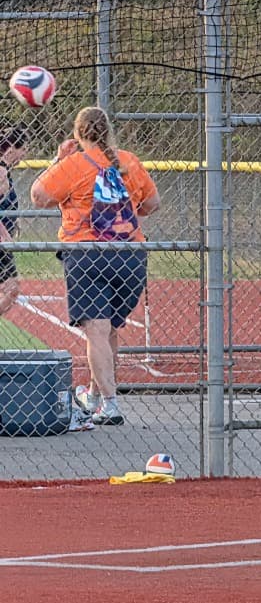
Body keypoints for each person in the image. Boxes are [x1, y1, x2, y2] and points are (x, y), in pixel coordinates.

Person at [30, 106, 160, 425]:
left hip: (87, 254)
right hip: (130, 255)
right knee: (108, 329)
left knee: (98, 331)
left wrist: (58, 159)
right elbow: (152, 204)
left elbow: (38, 195)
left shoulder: (73, 164)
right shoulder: (128, 161)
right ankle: (94, 395)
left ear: (78, 133)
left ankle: (111, 405)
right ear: (108, 131)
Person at [0, 124, 29, 316]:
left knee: (11, 289)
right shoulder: (1, 173)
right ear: (11, 149)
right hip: (1, 241)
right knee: (11, 289)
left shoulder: (5, 171)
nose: (24, 154)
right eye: (23, 149)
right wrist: (4, 234)